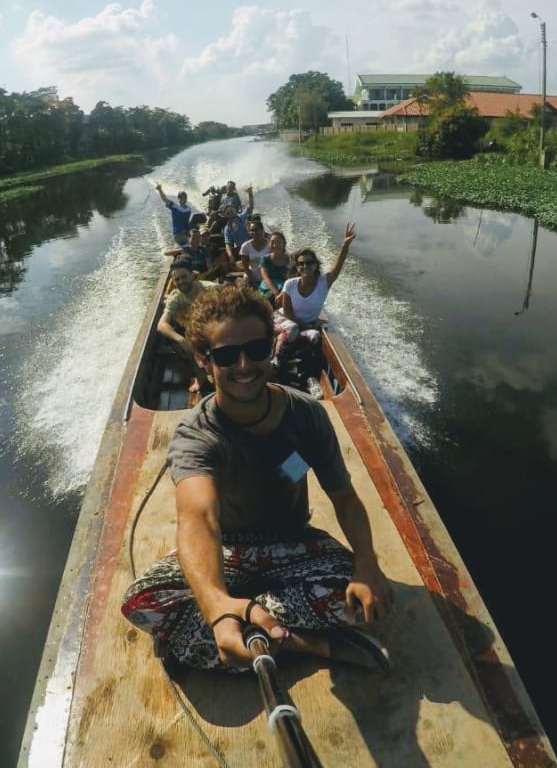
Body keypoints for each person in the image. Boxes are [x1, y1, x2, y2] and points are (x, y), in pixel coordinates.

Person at [121, 285, 393, 672]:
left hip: (293, 544)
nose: (244, 365)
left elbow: (344, 498)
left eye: (257, 350)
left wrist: (367, 564)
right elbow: (200, 519)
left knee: (369, 599)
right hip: (228, 551)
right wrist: (216, 603)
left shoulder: (306, 415)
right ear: (204, 360)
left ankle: (237, 632)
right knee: (141, 603)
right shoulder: (197, 435)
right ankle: (301, 642)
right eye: (227, 355)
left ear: (272, 347)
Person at [273, 222, 356, 365]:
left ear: (316, 265)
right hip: (284, 322)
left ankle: (292, 359)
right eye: (301, 264)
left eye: (309, 262)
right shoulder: (290, 284)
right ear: (297, 268)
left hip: (303, 326)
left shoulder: (323, 284)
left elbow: (336, 268)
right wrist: (306, 325)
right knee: (292, 328)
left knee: (315, 336)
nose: (305, 266)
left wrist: (345, 245)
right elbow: (288, 313)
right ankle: (276, 361)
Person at [157, 258, 217, 393]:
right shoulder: (176, 297)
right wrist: (181, 340)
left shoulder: (211, 290)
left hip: (214, 330)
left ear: (192, 275)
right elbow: (161, 325)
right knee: (179, 345)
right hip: (193, 335)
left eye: (184, 277)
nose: (181, 282)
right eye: (177, 279)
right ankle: (201, 378)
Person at [258, 231, 294, 305]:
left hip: (285, 288)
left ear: (284, 244)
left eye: (278, 242)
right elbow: (266, 278)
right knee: (267, 298)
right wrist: (275, 292)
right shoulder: (265, 259)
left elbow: (292, 279)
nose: (275, 245)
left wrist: (282, 293)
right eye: (272, 242)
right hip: (269, 288)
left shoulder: (290, 259)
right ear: (269, 244)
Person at [222, 186, 255, 266]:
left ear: (235, 210)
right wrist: (230, 256)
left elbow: (251, 207)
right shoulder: (227, 228)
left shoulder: (243, 217)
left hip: (251, 247)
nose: (231, 213)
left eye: (231, 211)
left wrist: (250, 194)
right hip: (240, 251)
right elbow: (228, 244)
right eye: (228, 213)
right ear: (226, 216)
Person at [238, 216, 271, 287]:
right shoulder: (246, 246)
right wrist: (253, 281)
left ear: (262, 230)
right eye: (251, 230)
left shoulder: (270, 245)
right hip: (252, 276)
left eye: (256, 230)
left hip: (268, 276)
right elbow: (246, 268)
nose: (253, 232)